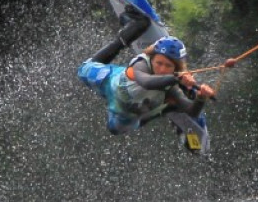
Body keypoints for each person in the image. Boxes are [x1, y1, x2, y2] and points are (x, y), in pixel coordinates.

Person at [77, 9, 217, 135]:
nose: (162, 69)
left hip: (123, 111)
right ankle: (137, 25)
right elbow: (147, 82)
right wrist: (177, 78)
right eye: (159, 63)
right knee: (83, 69)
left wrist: (201, 97)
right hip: (108, 81)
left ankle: (169, 107)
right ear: (152, 58)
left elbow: (192, 111)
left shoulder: (172, 89)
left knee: (115, 129)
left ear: (176, 68)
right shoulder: (142, 64)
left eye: (168, 66)